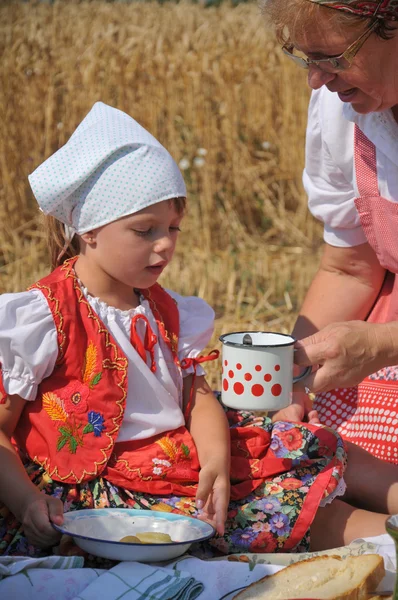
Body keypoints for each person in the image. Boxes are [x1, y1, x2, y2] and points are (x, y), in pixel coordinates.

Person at [0, 101, 348, 561]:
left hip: (177, 461)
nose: (165, 244)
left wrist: (218, 466)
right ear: (90, 230)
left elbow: (196, 395)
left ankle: (383, 539)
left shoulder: (166, 309)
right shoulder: (44, 316)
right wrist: (27, 504)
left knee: (291, 472)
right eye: (145, 230)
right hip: (90, 489)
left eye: (173, 228)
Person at [262, 0, 398, 463]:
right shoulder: (341, 111)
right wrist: (290, 382)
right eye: (305, 57)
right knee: (304, 453)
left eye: (334, 58)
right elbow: (350, 270)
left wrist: (383, 344)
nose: (316, 79)